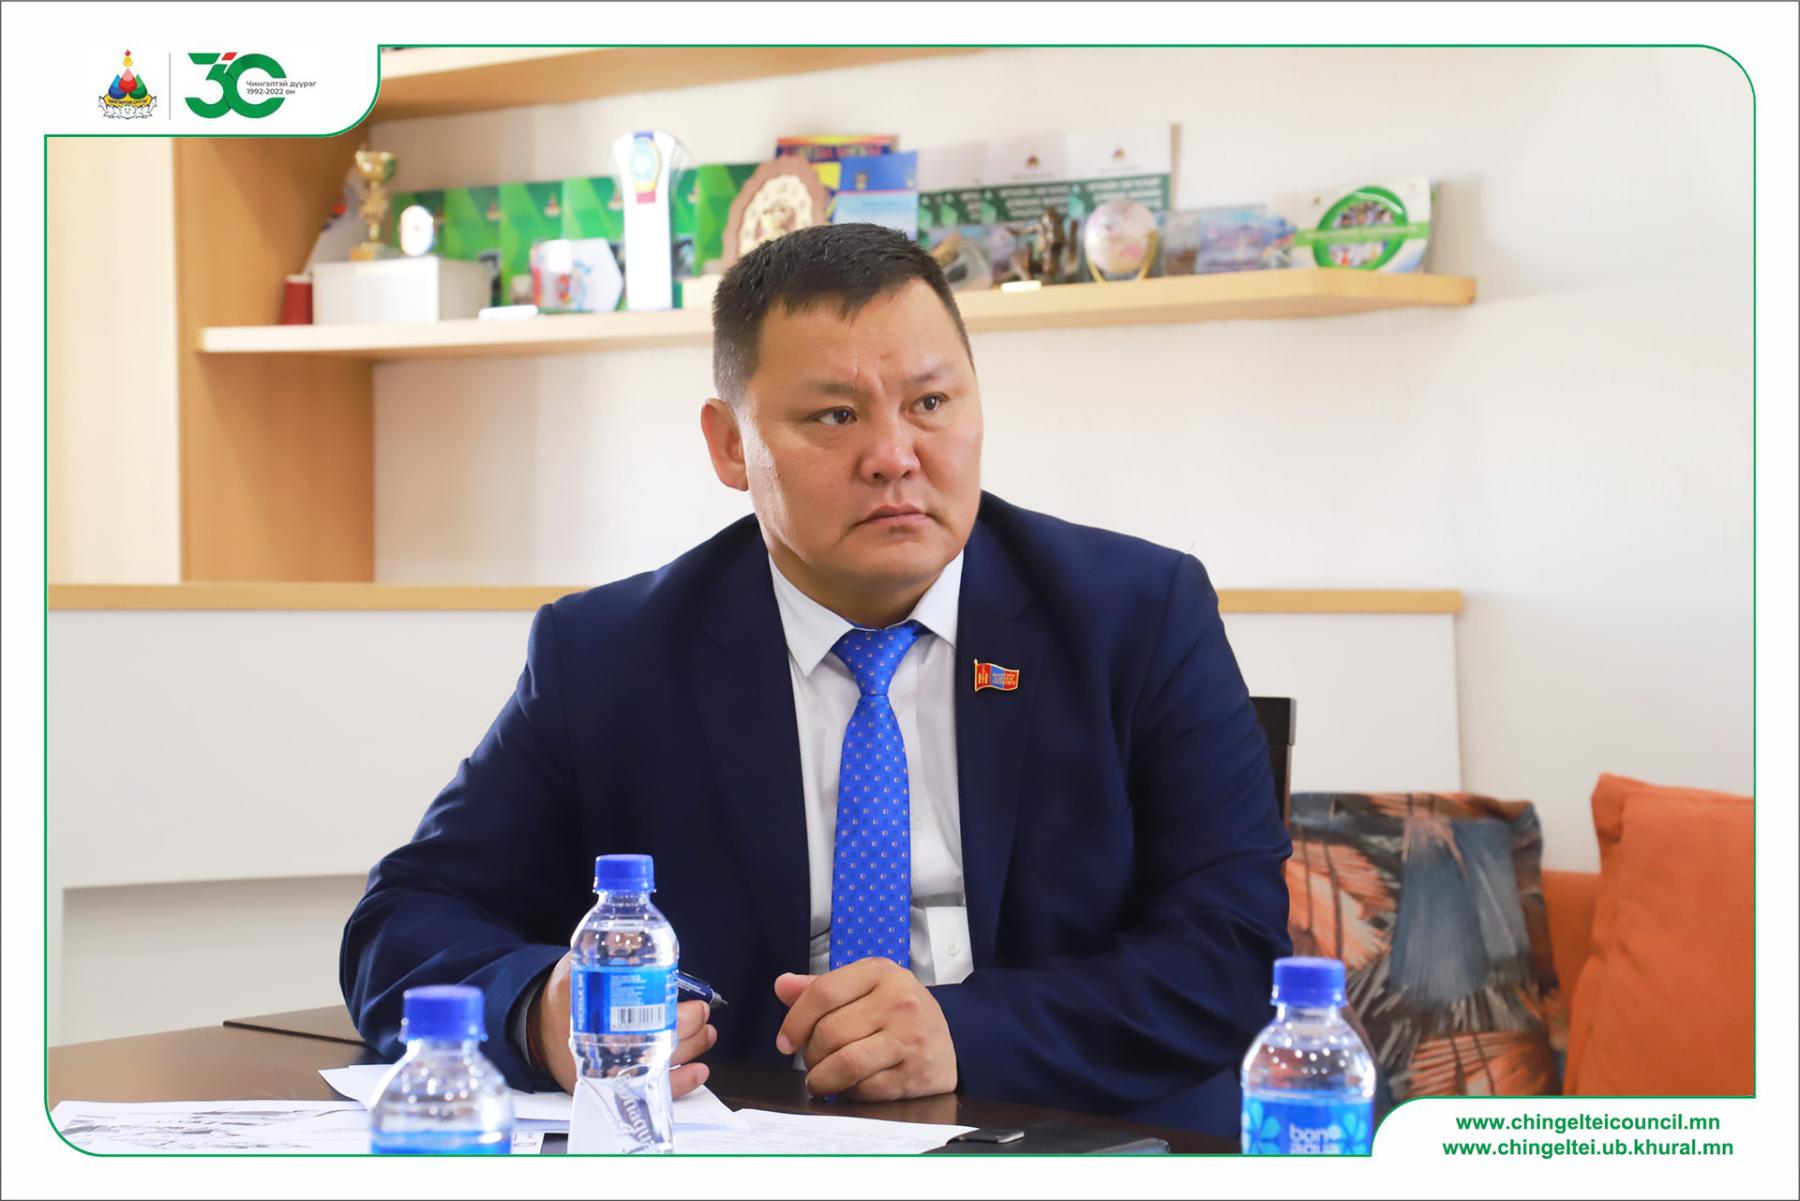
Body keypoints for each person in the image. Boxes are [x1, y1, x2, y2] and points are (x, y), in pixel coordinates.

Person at [340, 222, 1292, 1134]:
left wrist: (967, 1032)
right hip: (748, 1145)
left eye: (931, 403)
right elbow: (403, 921)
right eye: (835, 415)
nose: (894, 457)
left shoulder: (1135, 615)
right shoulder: (609, 655)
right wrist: (534, 1012)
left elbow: (1235, 949)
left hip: (1072, 1139)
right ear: (729, 444)